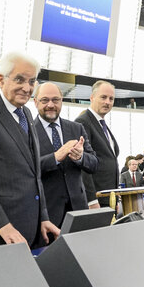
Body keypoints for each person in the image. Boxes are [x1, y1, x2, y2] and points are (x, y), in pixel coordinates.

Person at [0, 51, 59, 248]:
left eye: (32, 81)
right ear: (1, 79)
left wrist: (43, 217)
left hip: (29, 232)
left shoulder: (27, 113)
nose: (27, 87)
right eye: (20, 79)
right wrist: (2, 225)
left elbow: (34, 174)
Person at [32, 82, 98, 229]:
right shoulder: (27, 132)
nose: (50, 104)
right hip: (46, 215)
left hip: (78, 210)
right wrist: (55, 157)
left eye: (55, 100)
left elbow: (94, 163)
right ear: (35, 102)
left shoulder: (76, 128)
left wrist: (80, 157)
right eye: (45, 100)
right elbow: (26, 168)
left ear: (62, 100)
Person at [76, 80, 120, 208]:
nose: (107, 102)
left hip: (109, 198)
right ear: (92, 98)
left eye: (111, 99)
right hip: (97, 200)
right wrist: (91, 200)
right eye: (103, 97)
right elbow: (82, 164)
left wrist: (115, 198)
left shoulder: (102, 124)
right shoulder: (83, 122)